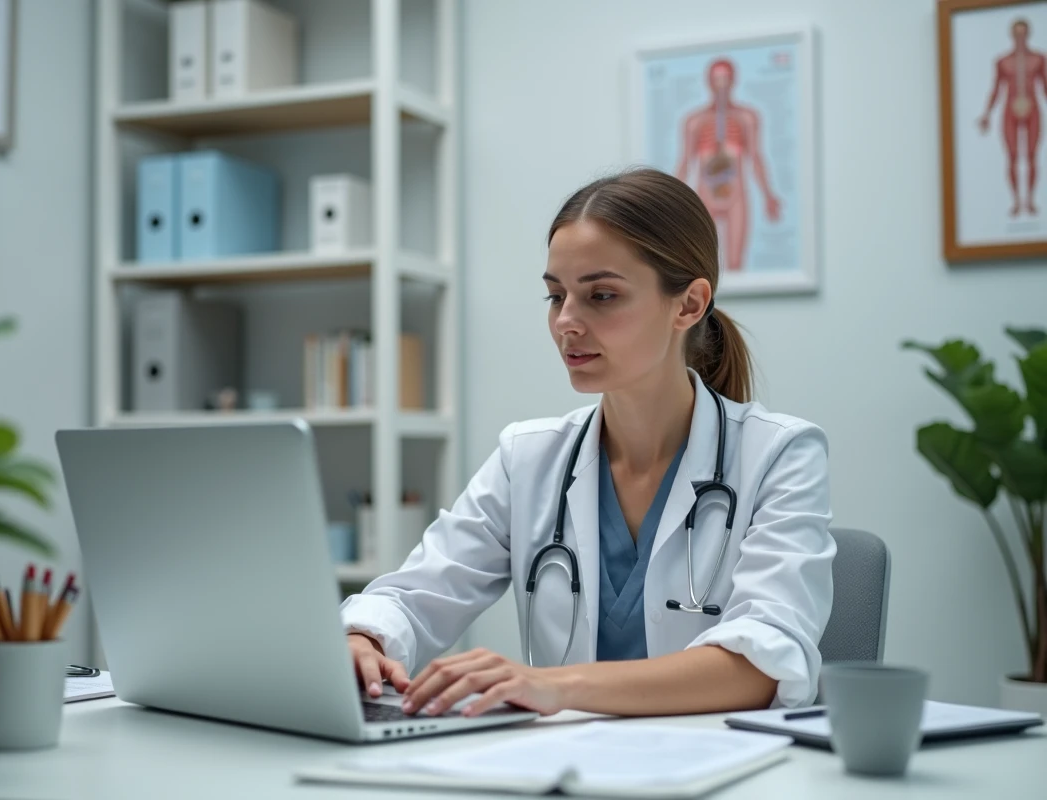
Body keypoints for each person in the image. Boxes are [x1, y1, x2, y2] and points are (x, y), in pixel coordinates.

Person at [340, 168, 834, 719]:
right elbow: (415, 595)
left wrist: (557, 686)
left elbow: (764, 662)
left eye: (601, 295)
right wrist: (367, 639)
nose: (567, 323)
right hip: (566, 769)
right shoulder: (528, 458)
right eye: (556, 296)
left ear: (689, 305)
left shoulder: (780, 455)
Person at [674, 58, 781, 271]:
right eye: (716, 79)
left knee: (735, 264)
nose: (721, 85)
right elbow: (685, 163)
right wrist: (669, 203)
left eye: (725, 79)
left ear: (733, 81)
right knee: (702, 266)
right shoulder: (694, 121)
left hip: (736, 197)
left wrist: (768, 195)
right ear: (709, 82)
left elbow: (756, 158)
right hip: (705, 198)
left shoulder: (747, 118)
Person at [979, 18, 1047, 216]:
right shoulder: (1002, 61)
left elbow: (1045, 87)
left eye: (1023, 33)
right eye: (1016, 33)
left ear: (1028, 34)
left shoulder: (1038, 59)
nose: (1020, 37)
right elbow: (996, 89)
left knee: (1032, 156)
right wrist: (987, 114)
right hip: (1010, 110)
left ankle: (1031, 201)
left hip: (1032, 108)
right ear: (1012, 35)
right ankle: (1017, 201)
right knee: (1012, 157)